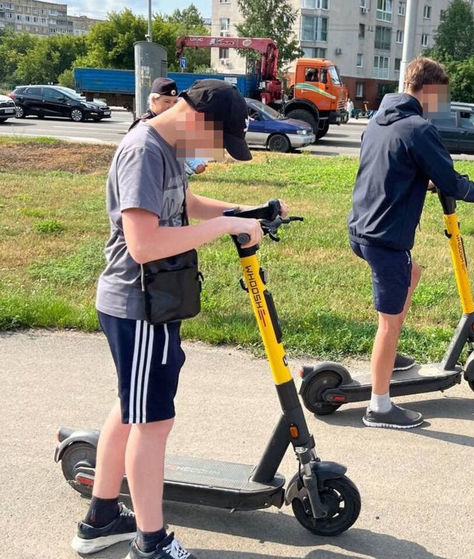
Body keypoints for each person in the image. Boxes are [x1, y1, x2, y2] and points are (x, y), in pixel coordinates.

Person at [71, 80, 286, 559]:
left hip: (149, 300)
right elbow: (143, 244)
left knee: (132, 409)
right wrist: (225, 227)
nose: (215, 152)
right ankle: (152, 542)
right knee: (153, 422)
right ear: (195, 119)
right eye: (217, 140)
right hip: (141, 303)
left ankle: (101, 519)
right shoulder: (145, 152)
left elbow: (184, 206)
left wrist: (245, 211)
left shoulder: (165, 148)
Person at [348, 57, 474, 430]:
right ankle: (379, 408)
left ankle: (390, 356)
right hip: (386, 238)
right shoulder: (417, 128)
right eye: (440, 96)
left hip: (362, 229)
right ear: (428, 90)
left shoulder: (379, 122)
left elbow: (390, 167)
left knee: (412, 273)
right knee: (389, 322)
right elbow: (450, 179)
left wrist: (419, 181)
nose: (441, 104)